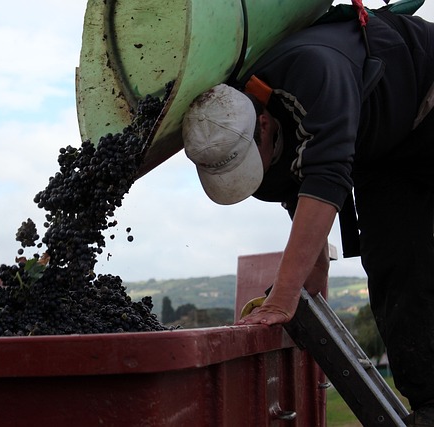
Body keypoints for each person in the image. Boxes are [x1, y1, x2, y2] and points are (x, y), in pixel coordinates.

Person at [181, 7, 434, 426]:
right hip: (383, 146)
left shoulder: (313, 70)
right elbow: (299, 190)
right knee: (393, 262)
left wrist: (284, 295)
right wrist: (313, 272)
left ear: (263, 123)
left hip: (425, 92)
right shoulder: (241, 138)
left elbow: (326, 180)